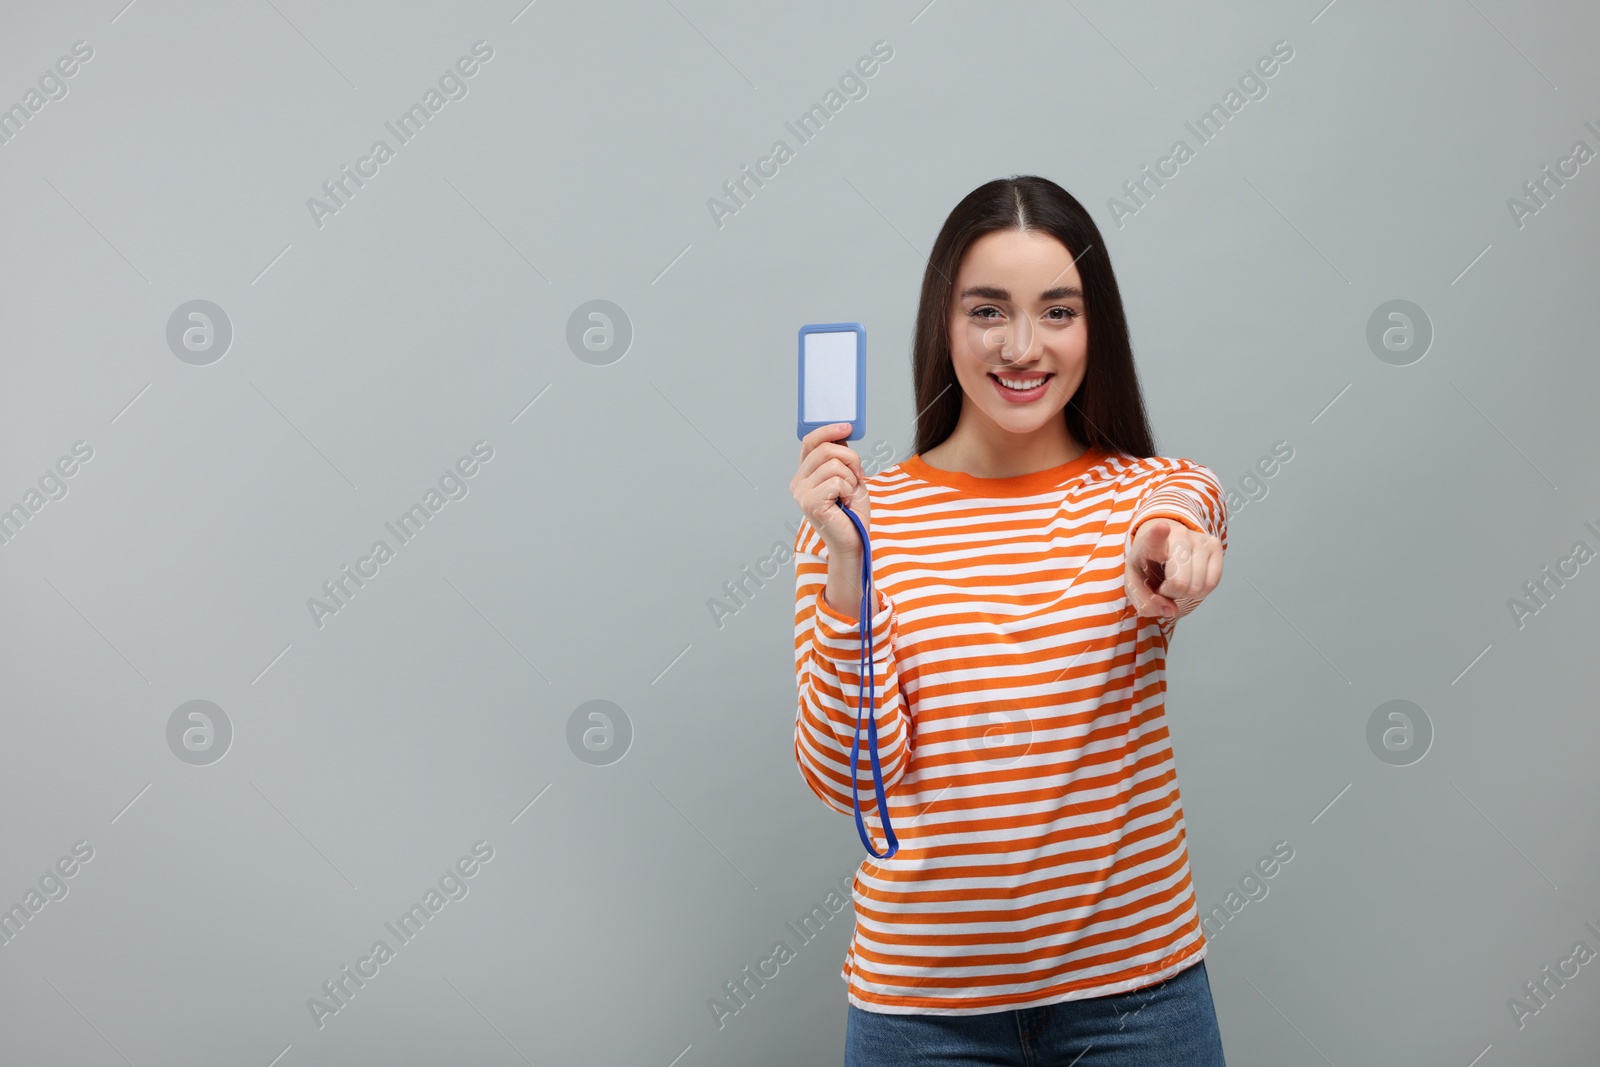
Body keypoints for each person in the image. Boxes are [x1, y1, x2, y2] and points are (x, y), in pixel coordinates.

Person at [789, 175, 1230, 1066]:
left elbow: (1186, 512)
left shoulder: (1147, 495)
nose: (1022, 347)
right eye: (988, 310)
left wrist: (1171, 544)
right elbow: (846, 779)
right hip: (920, 1013)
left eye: (1057, 312)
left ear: (1093, 327)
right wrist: (845, 562)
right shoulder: (859, 521)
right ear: (943, 324)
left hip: (1137, 999)